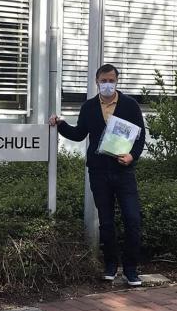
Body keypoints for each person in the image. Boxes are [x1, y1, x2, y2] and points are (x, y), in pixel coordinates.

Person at [49, 64, 146, 286]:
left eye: (111, 80)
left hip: (124, 172)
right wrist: (60, 123)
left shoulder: (130, 106)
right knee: (106, 222)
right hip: (99, 172)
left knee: (133, 220)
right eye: (103, 80)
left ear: (117, 81)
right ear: (96, 81)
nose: (107, 84)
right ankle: (110, 266)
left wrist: (132, 156)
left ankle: (131, 270)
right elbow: (78, 133)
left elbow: (140, 138)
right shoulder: (89, 107)